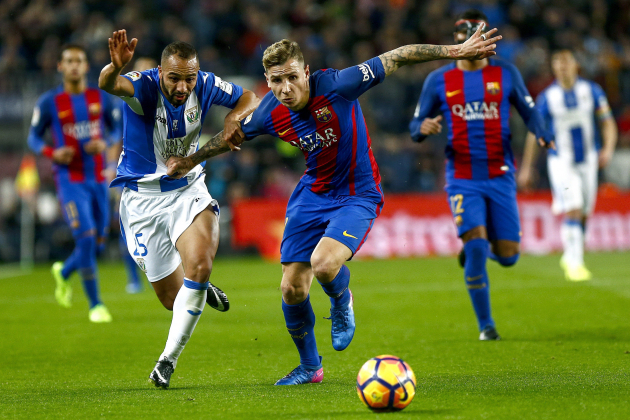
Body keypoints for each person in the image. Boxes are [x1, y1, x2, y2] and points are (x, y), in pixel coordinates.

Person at [166, 25, 502, 384]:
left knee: (324, 265)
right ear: (268, 79)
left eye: (293, 78)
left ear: (306, 72)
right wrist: (190, 160)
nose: (286, 88)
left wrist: (455, 51)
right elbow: (229, 137)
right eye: (277, 81)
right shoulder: (268, 112)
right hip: (312, 194)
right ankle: (311, 367)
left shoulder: (339, 84)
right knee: (291, 288)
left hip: (358, 193)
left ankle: (342, 301)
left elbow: (397, 56)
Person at [98, 30, 259, 388]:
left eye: (189, 78)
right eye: (175, 78)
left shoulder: (204, 83)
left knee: (199, 266)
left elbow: (250, 97)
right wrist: (114, 67)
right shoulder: (144, 86)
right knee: (173, 300)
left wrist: (234, 119)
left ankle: (166, 361)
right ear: (160, 72)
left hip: (188, 188)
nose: (183, 86)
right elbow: (110, 85)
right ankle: (199, 288)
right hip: (142, 201)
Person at [409, 10, 554, 341]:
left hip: (501, 175)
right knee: (475, 247)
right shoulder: (439, 80)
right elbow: (414, 124)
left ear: (486, 42)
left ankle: (481, 245)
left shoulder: (506, 73)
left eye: (479, 42)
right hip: (462, 177)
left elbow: (530, 113)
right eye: (466, 43)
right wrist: (422, 128)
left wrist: (542, 132)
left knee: (509, 257)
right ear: (458, 44)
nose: (474, 48)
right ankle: (486, 326)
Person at [28, 44, 121, 323]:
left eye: (79, 60)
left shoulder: (100, 97)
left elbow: (116, 127)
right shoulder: (48, 102)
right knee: (87, 237)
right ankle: (96, 305)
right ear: (59, 66)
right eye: (68, 61)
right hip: (69, 179)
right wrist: (51, 153)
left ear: (85, 66)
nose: (74, 65)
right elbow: (33, 138)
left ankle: (64, 271)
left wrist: (105, 141)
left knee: (98, 243)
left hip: (97, 176)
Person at [517, 50, 617, 281]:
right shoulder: (547, 97)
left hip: (589, 160)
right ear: (553, 69)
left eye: (566, 63)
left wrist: (608, 149)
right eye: (558, 64)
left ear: (575, 66)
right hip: (561, 160)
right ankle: (575, 262)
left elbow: (607, 122)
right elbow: (535, 132)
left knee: (583, 213)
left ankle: (572, 256)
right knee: (573, 206)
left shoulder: (591, 91)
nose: (563, 68)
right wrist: (527, 167)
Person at [107, 56, 159, 294]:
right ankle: (133, 279)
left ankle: (160, 273)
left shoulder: (165, 98)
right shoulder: (125, 101)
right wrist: (110, 166)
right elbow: (117, 137)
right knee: (129, 225)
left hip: (163, 172)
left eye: (149, 69)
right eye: (140, 70)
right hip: (132, 172)